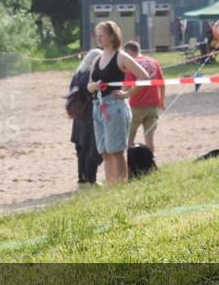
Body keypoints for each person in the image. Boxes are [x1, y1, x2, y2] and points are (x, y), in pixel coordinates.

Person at [86, 22, 149, 185]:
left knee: (116, 151)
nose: (98, 38)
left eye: (102, 35)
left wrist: (128, 93)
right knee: (105, 152)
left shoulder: (121, 56)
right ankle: (111, 186)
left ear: (112, 36)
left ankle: (120, 187)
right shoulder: (97, 59)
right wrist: (93, 86)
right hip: (98, 106)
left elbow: (144, 76)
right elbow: (89, 84)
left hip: (115, 106)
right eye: (96, 34)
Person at [123, 41, 166, 154]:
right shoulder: (154, 62)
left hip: (137, 105)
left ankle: (131, 165)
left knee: (129, 138)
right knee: (149, 139)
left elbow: (127, 85)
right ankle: (150, 163)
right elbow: (162, 83)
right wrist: (162, 100)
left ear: (129, 52)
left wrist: (121, 95)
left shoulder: (132, 64)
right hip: (153, 104)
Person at [69, 49, 102, 186]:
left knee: (82, 147)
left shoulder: (77, 74)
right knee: (91, 147)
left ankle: (82, 177)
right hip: (90, 113)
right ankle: (91, 178)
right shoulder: (91, 75)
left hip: (79, 114)